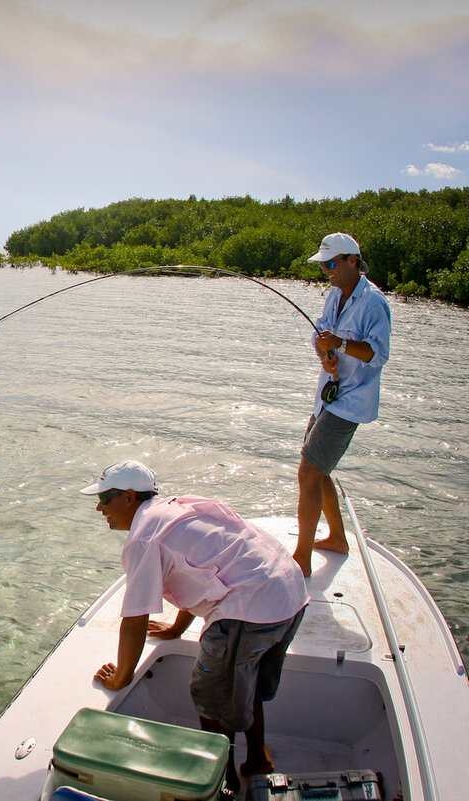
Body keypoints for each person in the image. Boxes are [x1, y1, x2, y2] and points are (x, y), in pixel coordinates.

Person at [83, 460, 308, 790]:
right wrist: (176, 628)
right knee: (250, 680)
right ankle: (258, 758)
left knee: (213, 699)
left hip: (250, 609)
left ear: (128, 497)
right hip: (289, 592)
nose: (99, 508)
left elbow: (134, 620)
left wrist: (122, 676)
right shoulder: (178, 508)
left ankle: (223, 783)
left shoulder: (143, 538)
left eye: (104, 499)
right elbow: (205, 569)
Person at [295, 233, 391, 577]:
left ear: (353, 260)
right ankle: (337, 537)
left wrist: (342, 345)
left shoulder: (374, 302)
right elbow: (321, 335)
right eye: (323, 264)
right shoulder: (334, 294)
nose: (327, 270)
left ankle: (300, 560)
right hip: (328, 392)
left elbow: (377, 354)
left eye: (332, 263)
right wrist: (326, 355)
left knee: (308, 471)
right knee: (317, 469)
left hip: (350, 400)